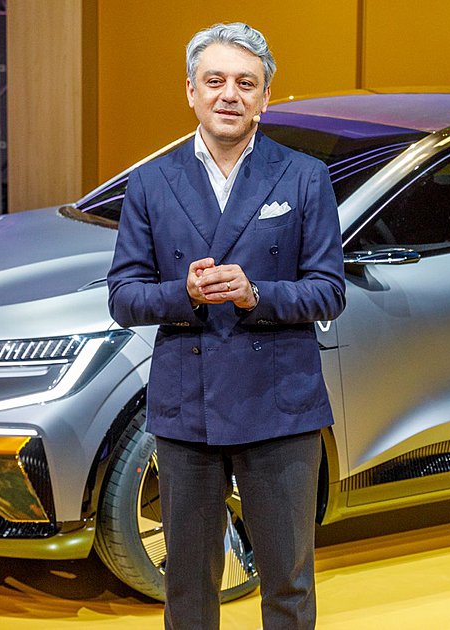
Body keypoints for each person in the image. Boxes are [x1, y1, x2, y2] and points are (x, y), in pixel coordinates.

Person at [106, 22, 345, 630]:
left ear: (265, 97)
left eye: (246, 83)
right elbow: (124, 298)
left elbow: (329, 290)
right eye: (215, 81)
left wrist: (255, 294)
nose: (229, 95)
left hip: (281, 406)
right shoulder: (151, 181)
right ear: (191, 91)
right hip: (188, 408)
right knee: (187, 586)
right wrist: (183, 294)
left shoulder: (304, 176)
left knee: (288, 582)